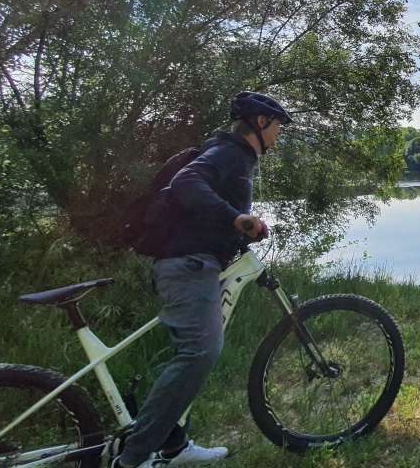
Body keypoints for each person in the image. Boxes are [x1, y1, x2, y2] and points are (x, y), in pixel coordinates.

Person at [112, 92, 291, 468]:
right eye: (277, 127)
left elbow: (203, 205)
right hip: (189, 265)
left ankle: (174, 446)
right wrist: (235, 218)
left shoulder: (233, 156)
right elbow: (187, 182)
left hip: (197, 262)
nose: (278, 135)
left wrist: (240, 227)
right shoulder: (229, 153)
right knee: (200, 351)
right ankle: (132, 458)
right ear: (260, 123)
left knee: (190, 352)